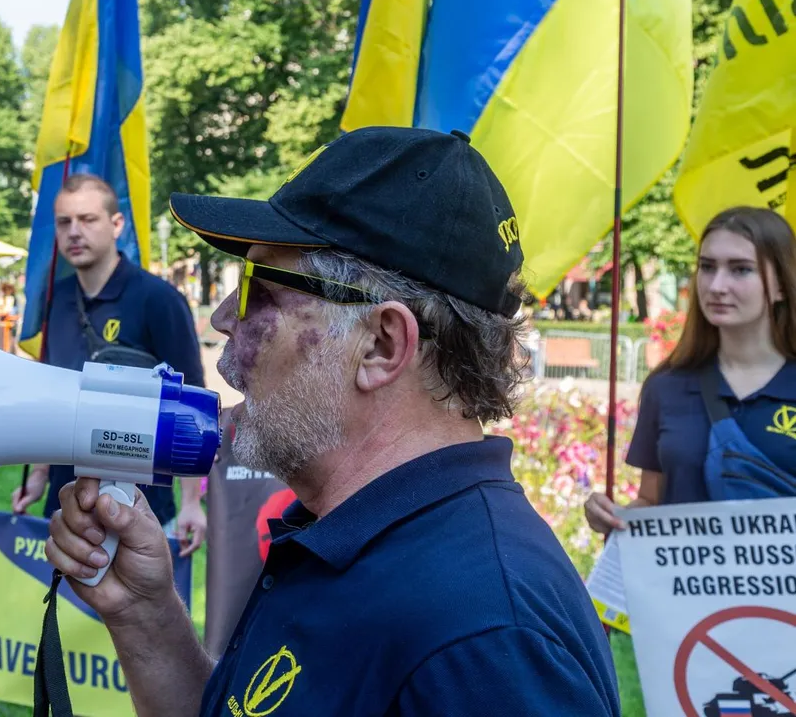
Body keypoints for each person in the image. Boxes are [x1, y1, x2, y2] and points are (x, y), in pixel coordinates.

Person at [44, 127, 620, 716]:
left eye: (256, 290)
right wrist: (146, 615)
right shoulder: (353, 531)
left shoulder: (486, 638)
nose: (222, 319)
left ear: (381, 345)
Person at [12, 174, 208, 555]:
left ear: (117, 225)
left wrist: (190, 502)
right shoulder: (56, 301)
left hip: (142, 508)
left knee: (139, 612)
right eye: (64, 221)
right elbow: (50, 396)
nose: (74, 232)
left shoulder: (159, 299)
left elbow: (190, 406)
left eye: (87, 219)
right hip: (68, 502)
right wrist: (37, 476)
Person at [586, 206, 796, 533]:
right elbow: (652, 502)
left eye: (740, 270)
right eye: (707, 267)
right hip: (684, 584)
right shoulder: (665, 387)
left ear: (782, 283)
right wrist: (613, 515)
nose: (716, 285)